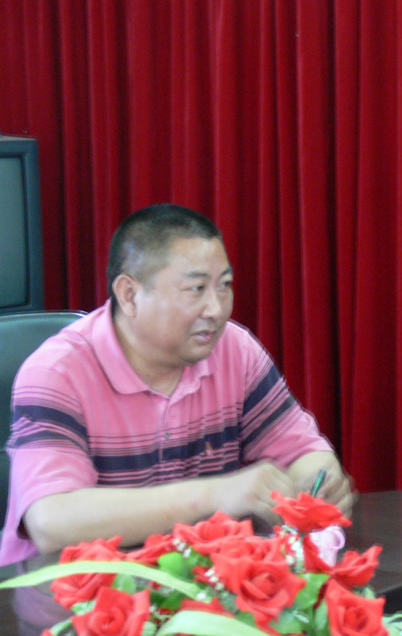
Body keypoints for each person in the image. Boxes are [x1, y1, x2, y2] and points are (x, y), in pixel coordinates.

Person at [0, 204, 355, 564]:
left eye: (224, 286)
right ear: (129, 294)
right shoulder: (57, 373)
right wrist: (215, 496)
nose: (216, 309)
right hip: (57, 588)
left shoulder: (235, 350)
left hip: (189, 578)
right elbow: (52, 522)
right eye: (196, 288)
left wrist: (317, 478)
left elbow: (302, 452)